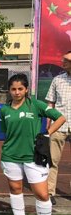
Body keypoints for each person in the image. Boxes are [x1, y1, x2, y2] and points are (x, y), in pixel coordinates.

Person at [0, 74, 66, 215]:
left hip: (33, 157)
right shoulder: (5, 110)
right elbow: (5, 132)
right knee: (15, 190)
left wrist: (47, 133)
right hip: (10, 156)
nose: (16, 92)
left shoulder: (35, 105)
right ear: (9, 90)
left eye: (20, 89)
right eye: (13, 89)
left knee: (42, 194)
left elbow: (60, 118)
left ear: (26, 89)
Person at [45, 50, 71, 205]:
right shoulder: (57, 80)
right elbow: (50, 103)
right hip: (59, 125)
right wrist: (49, 124)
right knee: (53, 160)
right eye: (64, 59)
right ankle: (49, 191)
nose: (63, 62)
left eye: (67, 60)